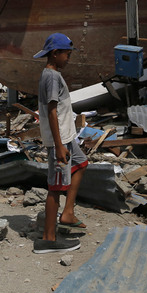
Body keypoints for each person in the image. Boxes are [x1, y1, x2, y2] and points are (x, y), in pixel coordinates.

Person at [33, 32, 88, 254]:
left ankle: (68, 213)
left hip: (67, 137)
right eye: (67, 54)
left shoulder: (52, 74)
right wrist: (58, 146)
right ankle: (48, 239)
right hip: (60, 140)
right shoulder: (52, 77)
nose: (69, 58)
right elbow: (52, 111)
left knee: (81, 164)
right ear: (55, 54)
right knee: (55, 187)